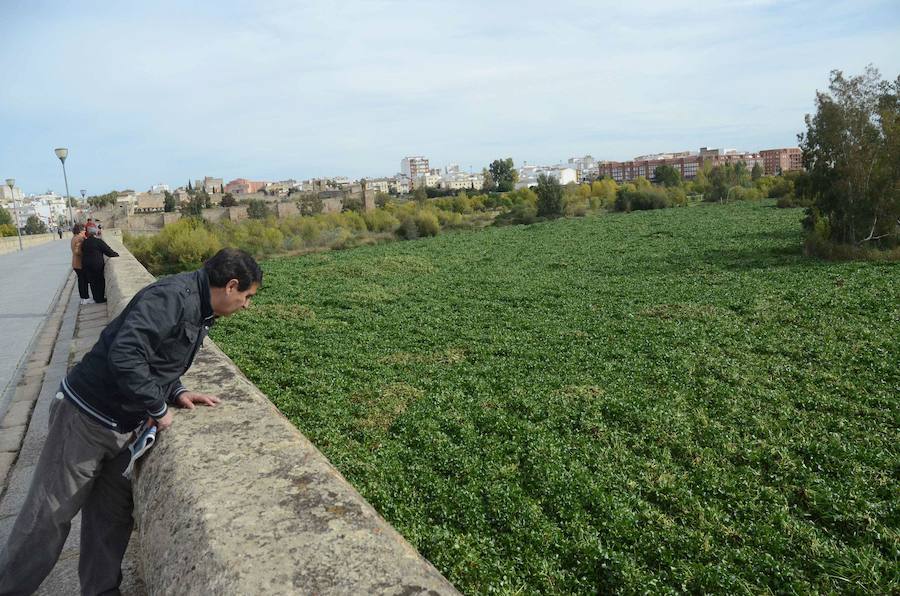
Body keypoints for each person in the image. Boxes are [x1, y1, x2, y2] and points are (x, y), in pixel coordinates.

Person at [0, 248, 262, 595]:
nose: (247, 306)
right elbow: (126, 353)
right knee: (46, 522)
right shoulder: (171, 297)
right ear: (230, 286)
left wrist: (177, 390)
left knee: (110, 521)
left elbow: (159, 356)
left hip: (124, 425)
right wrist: (158, 407)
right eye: (247, 296)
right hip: (86, 418)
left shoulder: (200, 308)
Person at [81, 225, 119, 304]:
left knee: (92, 282)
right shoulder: (98, 241)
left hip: (86, 264)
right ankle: (100, 298)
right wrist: (116, 254)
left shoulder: (85, 242)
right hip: (96, 264)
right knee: (100, 280)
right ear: (96, 232)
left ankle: (96, 298)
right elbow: (108, 251)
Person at [70, 223, 91, 305]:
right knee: (83, 281)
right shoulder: (79, 238)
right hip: (79, 263)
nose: (85, 231)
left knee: (81, 281)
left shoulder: (74, 237)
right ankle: (85, 298)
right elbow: (77, 250)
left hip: (75, 263)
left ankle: (83, 298)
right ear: (80, 230)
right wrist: (84, 254)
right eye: (84, 229)